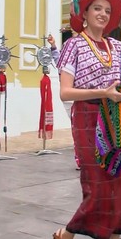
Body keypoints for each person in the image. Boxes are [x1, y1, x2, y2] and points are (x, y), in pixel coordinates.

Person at [54, 0, 121, 239]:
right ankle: (69, 231)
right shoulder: (73, 46)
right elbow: (66, 92)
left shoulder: (118, 47)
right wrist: (103, 93)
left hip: (119, 118)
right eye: (97, 8)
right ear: (84, 14)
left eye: (107, 10)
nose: (103, 14)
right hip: (88, 118)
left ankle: (111, 233)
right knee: (97, 183)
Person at [48, 33, 81, 170]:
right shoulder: (65, 61)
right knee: (77, 129)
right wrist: (53, 45)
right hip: (70, 100)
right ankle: (80, 158)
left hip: (81, 97)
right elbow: (57, 59)